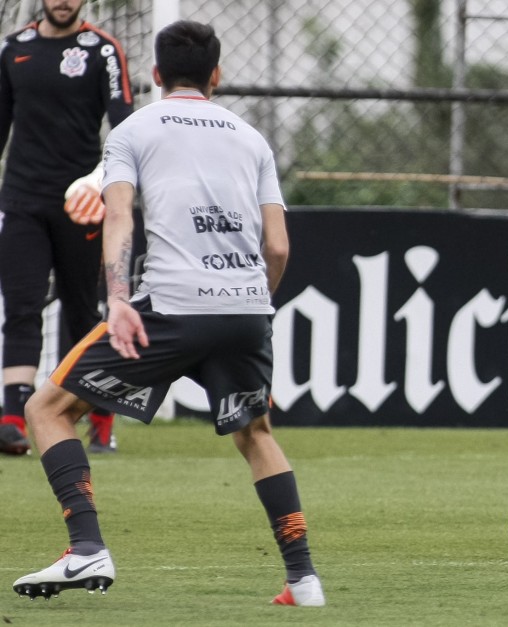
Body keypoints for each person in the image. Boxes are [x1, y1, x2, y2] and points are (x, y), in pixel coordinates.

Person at [11, 20, 325, 607]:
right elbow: (277, 245)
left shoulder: (134, 129)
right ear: (217, 75)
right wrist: (259, 308)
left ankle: (85, 548)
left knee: (45, 407)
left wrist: (120, 300)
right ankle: (303, 580)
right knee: (257, 434)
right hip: (246, 308)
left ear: (155, 75)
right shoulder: (252, 138)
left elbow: (120, 217)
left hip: (171, 307)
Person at [0, 0, 134, 456]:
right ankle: (13, 419)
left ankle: (99, 416)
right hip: (21, 200)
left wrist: (101, 184)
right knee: (21, 305)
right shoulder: (13, 49)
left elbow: (124, 130)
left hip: (83, 204)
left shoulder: (103, 50)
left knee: (82, 310)